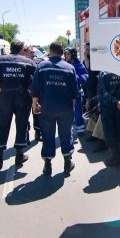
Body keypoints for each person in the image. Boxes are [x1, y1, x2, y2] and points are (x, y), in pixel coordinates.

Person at [0, 40, 36, 170]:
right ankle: (19, 155)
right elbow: (37, 78)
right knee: (22, 124)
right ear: (22, 49)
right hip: (22, 97)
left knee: (2, 125)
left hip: (5, 96)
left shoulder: (0, 60)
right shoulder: (28, 62)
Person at [32, 41, 78, 176]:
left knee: (47, 136)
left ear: (50, 52)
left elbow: (35, 89)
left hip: (47, 108)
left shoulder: (42, 66)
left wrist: (35, 105)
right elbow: (74, 92)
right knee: (66, 135)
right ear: (62, 52)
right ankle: (68, 163)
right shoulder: (69, 68)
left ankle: (47, 165)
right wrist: (72, 109)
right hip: (65, 109)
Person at [98, 71, 120, 167]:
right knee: (119, 131)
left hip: (108, 107)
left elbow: (103, 92)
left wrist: (115, 102)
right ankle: (118, 157)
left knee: (109, 132)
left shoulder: (103, 73)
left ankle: (114, 158)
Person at [64, 47, 89, 136]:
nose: (66, 55)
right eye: (65, 54)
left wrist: (76, 78)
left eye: (68, 54)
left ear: (73, 54)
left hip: (76, 91)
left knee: (78, 111)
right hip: (65, 92)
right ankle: (67, 130)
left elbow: (86, 75)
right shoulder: (63, 64)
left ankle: (80, 129)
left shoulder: (78, 64)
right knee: (66, 111)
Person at [22, 46, 41, 142]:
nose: (33, 54)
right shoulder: (21, 63)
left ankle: (38, 133)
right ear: (24, 52)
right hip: (24, 94)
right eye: (31, 52)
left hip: (35, 94)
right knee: (25, 115)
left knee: (37, 114)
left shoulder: (36, 62)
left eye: (34, 52)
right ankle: (26, 137)